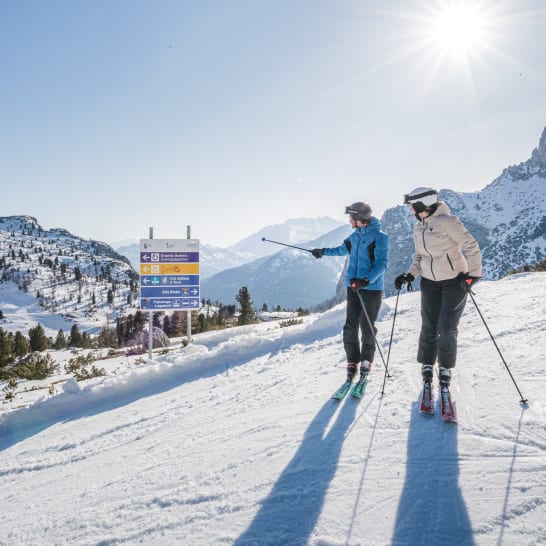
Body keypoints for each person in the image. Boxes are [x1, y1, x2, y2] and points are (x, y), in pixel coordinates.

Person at [394, 187, 482, 387]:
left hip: (455, 281)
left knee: (447, 327)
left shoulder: (448, 222)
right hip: (429, 282)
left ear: (421, 205)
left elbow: (471, 246)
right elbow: (420, 256)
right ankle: (427, 363)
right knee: (428, 324)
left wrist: (473, 275)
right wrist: (410, 274)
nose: (410, 211)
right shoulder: (419, 227)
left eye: (411, 207)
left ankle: (445, 367)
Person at [312, 202, 389, 384]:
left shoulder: (380, 237)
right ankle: (352, 361)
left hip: (370, 288)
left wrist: (366, 280)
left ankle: (366, 361)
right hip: (353, 287)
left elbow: (382, 265)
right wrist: (322, 252)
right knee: (350, 326)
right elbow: (341, 249)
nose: (349, 221)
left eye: (351, 218)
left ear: (358, 218)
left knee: (367, 326)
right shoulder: (355, 236)